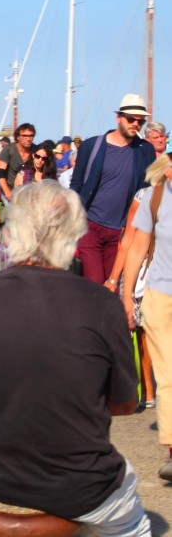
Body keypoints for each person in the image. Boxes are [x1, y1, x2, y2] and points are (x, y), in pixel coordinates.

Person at [0, 181, 149, 535]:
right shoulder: (100, 303)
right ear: (76, 235)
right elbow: (124, 404)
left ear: (13, 230)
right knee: (131, 525)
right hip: (79, 485)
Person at [120, 153, 172, 481]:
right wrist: (126, 294)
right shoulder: (155, 196)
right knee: (167, 374)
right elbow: (137, 246)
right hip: (159, 296)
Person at [70, 93, 157, 285]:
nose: (135, 124)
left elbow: (149, 191)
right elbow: (76, 184)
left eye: (140, 121)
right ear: (119, 117)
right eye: (131, 119)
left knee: (112, 285)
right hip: (89, 225)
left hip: (122, 232)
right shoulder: (92, 145)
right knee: (95, 282)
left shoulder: (145, 150)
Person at [0, 123, 35, 202]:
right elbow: (0, 172)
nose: (28, 139)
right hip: (9, 191)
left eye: (31, 136)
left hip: (28, 194)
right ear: (18, 137)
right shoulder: (9, 149)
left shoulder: (36, 151)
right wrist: (7, 191)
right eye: (25, 136)